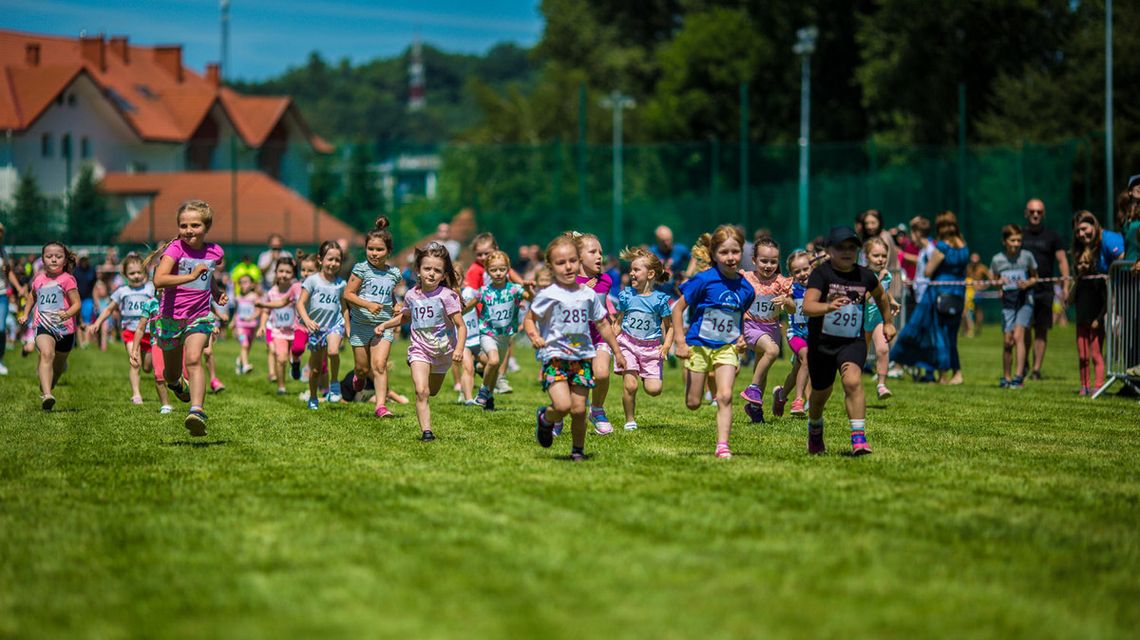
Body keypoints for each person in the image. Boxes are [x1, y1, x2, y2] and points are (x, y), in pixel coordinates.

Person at [526, 234, 626, 461]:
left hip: (582, 359)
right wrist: (533, 335)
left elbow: (602, 323)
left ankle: (578, 451)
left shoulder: (589, 293)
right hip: (556, 358)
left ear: (578, 261)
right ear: (551, 267)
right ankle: (546, 418)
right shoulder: (548, 294)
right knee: (562, 405)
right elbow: (530, 319)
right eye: (561, 263)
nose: (568, 266)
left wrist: (617, 352)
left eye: (572, 260)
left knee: (579, 409)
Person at [801, 226, 896, 456]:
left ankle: (859, 437)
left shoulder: (864, 275)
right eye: (840, 248)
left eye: (851, 248)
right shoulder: (821, 274)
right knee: (819, 395)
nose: (846, 252)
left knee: (853, 381)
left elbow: (881, 296)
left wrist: (888, 322)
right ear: (829, 251)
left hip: (851, 341)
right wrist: (828, 306)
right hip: (822, 343)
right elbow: (807, 306)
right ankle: (815, 428)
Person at [671, 226, 755, 459]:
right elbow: (678, 309)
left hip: (726, 348)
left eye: (735, 252)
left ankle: (723, 445)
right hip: (699, 344)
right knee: (693, 403)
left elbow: (739, 316)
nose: (730, 258)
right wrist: (680, 341)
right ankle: (690, 383)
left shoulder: (746, 288)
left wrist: (740, 337)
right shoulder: (704, 280)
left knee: (725, 395)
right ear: (714, 253)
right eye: (724, 252)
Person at [147, 200, 228, 435]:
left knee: (194, 359)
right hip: (171, 317)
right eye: (183, 226)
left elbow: (207, 275)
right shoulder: (175, 250)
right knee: (170, 374)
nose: (188, 230)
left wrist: (215, 292)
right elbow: (159, 280)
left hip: (199, 316)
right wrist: (190, 275)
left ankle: (197, 411)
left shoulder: (215, 252)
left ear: (207, 226)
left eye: (195, 225)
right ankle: (177, 384)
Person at [377, 242, 466, 441]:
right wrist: (385, 325)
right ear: (418, 270)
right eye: (427, 268)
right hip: (419, 350)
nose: (431, 274)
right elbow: (406, 317)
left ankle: (427, 418)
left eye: (437, 270)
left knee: (432, 391)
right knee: (421, 391)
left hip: (443, 352)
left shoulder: (447, 296)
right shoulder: (410, 295)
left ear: (444, 275)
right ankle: (427, 432)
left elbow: (461, 326)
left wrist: (459, 348)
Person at [87, 253, 168, 407]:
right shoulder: (122, 291)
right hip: (130, 333)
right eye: (132, 273)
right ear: (124, 274)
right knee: (135, 362)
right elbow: (109, 309)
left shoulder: (150, 289)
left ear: (145, 272)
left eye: (139, 272)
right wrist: (97, 322)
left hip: (149, 334)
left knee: (147, 367)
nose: (136, 276)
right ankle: (136, 394)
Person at [343, 217, 402, 419]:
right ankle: (358, 380)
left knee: (379, 365)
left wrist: (396, 306)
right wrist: (368, 304)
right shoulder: (361, 269)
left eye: (379, 250)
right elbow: (348, 294)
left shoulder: (394, 273)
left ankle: (380, 406)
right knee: (362, 369)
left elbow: (390, 295)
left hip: (383, 325)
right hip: (360, 325)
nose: (374, 254)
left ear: (388, 251)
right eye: (371, 249)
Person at [613, 247, 674, 431]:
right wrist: (610, 343)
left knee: (654, 390)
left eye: (636, 270)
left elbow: (670, 327)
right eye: (631, 270)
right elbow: (618, 322)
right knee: (630, 386)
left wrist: (666, 347)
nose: (631, 273)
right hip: (628, 344)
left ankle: (643, 370)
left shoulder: (659, 300)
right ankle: (630, 420)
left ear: (651, 274)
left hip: (651, 349)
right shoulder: (626, 296)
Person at [18, 242, 81, 410]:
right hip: (43, 325)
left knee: (58, 369)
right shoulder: (38, 279)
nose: (54, 259)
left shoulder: (67, 280)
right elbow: (32, 296)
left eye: (58, 257)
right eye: (49, 256)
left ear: (65, 261)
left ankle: (48, 386)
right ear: (43, 260)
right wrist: (25, 314)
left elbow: (77, 304)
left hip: (65, 329)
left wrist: (68, 314)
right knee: (46, 354)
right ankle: (47, 395)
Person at [738, 238, 792, 423]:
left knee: (762, 369)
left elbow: (792, 308)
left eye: (773, 261)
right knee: (773, 351)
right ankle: (752, 388)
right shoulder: (746, 279)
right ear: (754, 260)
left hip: (772, 328)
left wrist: (786, 302)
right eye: (763, 261)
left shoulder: (781, 282)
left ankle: (755, 409)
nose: (768, 265)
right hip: (751, 326)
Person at [571, 232, 618, 434]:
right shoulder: (569, 280)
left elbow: (603, 305)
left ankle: (597, 410)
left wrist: (613, 320)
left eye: (601, 252)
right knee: (571, 383)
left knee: (601, 373)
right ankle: (557, 416)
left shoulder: (606, 280)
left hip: (599, 336)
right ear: (579, 257)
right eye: (593, 252)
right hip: (576, 340)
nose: (599, 256)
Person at [472, 251, 530, 411]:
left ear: (508, 269)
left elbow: (532, 298)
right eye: (494, 270)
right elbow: (468, 306)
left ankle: (488, 397)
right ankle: (483, 391)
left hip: (505, 336)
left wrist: (529, 290)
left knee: (494, 368)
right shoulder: (484, 291)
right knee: (494, 360)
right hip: (487, 333)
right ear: (488, 271)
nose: (498, 273)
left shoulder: (514, 289)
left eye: (502, 269)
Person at [1020, 198, 1069, 380]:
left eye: (1039, 212)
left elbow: (1062, 260)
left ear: (1043, 214)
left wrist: (1065, 285)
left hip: (1045, 291)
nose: (1035, 215)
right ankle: (1023, 363)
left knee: (1041, 330)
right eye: (1032, 211)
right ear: (1026, 213)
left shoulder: (1052, 236)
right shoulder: (1020, 234)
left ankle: (1036, 369)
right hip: (1022, 290)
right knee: (1023, 328)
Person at [297, 241, 347, 410]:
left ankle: (334, 384)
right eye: (330, 259)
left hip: (335, 325)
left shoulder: (341, 284)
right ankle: (312, 397)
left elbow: (344, 306)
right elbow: (300, 304)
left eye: (337, 260)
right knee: (316, 369)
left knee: (333, 351)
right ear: (320, 260)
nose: (333, 264)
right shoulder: (312, 281)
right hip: (317, 329)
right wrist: (308, 321)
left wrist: (347, 326)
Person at [990, 225, 1039, 389]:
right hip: (1008, 303)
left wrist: (1028, 283)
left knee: (1019, 336)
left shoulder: (1027, 256)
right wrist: (998, 284)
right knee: (1007, 341)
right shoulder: (997, 259)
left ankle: (1018, 377)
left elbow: (1035, 277)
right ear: (1004, 241)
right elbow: (993, 278)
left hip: (1025, 301)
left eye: (1019, 240)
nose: (1016, 243)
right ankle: (1006, 377)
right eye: (1013, 240)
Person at [774, 250, 813, 417]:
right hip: (795, 334)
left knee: (798, 370)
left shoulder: (819, 287)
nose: (802, 274)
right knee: (806, 356)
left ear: (812, 267)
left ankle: (781, 395)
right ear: (791, 274)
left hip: (813, 336)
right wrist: (785, 300)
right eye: (797, 271)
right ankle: (798, 401)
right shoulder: (791, 289)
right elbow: (787, 304)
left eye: (805, 269)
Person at [256, 255, 300, 396]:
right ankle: (281, 386)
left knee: (295, 354)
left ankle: (296, 363)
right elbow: (266, 310)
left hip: (295, 330)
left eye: (288, 272)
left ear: (293, 273)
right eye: (281, 271)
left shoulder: (296, 290)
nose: (284, 275)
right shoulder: (272, 292)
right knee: (280, 358)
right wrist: (262, 325)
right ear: (275, 272)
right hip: (278, 331)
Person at [863, 237, 900, 400]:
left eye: (884, 256)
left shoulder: (887, 276)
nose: (880, 260)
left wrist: (892, 301)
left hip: (878, 319)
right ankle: (851, 386)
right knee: (859, 355)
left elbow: (883, 293)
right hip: (861, 322)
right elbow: (865, 296)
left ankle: (881, 385)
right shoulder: (862, 275)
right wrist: (877, 280)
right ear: (866, 256)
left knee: (883, 349)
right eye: (876, 255)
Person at [1068, 250, 1107, 396]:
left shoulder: (1098, 279)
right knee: (1083, 356)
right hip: (1081, 323)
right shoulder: (1079, 282)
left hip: (1096, 324)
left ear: (1092, 264)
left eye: (1086, 262)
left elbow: (1106, 303)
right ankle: (1084, 385)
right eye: (1080, 263)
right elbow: (1069, 301)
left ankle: (1098, 386)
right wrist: (1075, 283)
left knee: (1096, 355)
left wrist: (1099, 319)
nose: (1083, 266)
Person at [0, 223, 27, 375]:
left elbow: (9, 272)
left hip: (2, 294)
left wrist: (18, 288)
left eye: (0, 232)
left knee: (1, 329)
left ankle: (1, 360)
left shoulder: (3, 251)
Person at [650, 225, 691, 298]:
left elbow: (694, 259)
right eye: (663, 241)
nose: (666, 243)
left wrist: (687, 274)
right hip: (657, 295)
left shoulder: (680, 250)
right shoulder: (652, 252)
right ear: (657, 240)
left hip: (677, 294)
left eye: (668, 240)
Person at [231, 275, 260, 376]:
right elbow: (236, 312)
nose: (243, 285)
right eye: (241, 283)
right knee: (244, 345)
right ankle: (246, 365)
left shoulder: (254, 297)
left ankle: (240, 361)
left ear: (252, 284)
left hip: (251, 326)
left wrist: (252, 317)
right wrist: (233, 322)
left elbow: (258, 310)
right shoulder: (238, 297)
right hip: (240, 326)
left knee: (248, 347)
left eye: (246, 282)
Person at [963, 253, 991, 338]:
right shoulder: (968, 268)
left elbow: (991, 278)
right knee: (966, 311)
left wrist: (984, 286)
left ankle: (978, 329)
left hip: (978, 292)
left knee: (978, 310)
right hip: (968, 291)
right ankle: (967, 329)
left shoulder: (982, 268)